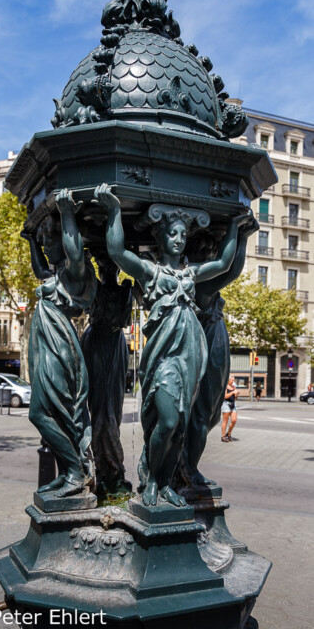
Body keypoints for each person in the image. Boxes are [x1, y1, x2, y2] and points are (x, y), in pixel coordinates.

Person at [94, 183, 250, 507]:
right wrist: (113, 211)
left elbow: (223, 265)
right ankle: (150, 477)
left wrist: (237, 227)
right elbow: (118, 253)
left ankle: (164, 484)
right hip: (165, 355)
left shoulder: (191, 274)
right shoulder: (150, 272)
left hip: (191, 354)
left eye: (182, 234)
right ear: (161, 236)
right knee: (166, 420)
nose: (179, 239)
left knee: (179, 425)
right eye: (173, 234)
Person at [21, 189, 97, 498]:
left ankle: (75, 471)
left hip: (60, 347)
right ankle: (69, 472)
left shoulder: (74, 273)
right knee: (52, 413)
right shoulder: (57, 274)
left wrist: (67, 214)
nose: (44, 244)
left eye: (47, 240)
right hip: (47, 343)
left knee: (40, 412)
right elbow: (40, 269)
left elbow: (75, 252)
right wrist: (30, 242)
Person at [180, 214, 258, 486]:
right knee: (204, 413)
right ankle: (188, 468)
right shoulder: (200, 282)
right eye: (207, 250)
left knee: (206, 414)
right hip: (210, 344)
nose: (212, 254)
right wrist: (242, 235)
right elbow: (232, 269)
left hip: (212, 342)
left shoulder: (195, 278)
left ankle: (185, 465)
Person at [80, 255, 132, 495]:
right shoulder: (118, 289)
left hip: (108, 345)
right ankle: (105, 467)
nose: (105, 270)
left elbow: (93, 310)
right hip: (103, 345)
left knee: (108, 407)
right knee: (104, 406)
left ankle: (109, 467)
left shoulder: (115, 289)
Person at [221, 376, 239, 442]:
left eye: (233, 380)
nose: (233, 381)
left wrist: (237, 394)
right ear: (228, 380)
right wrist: (232, 392)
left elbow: (235, 397)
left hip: (233, 403)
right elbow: (224, 396)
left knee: (234, 420)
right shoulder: (225, 386)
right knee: (225, 420)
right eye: (232, 380)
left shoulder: (233, 387)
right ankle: (223, 436)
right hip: (226, 403)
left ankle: (228, 434)